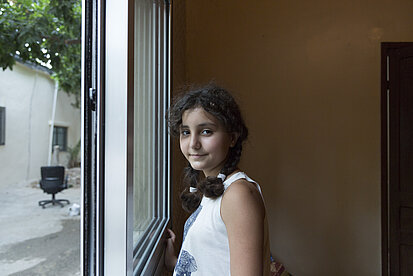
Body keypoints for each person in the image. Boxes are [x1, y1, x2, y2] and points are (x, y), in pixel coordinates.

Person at [165, 84, 271, 275]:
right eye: (186, 132)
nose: (193, 144)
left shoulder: (238, 195)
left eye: (206, 131)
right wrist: (175, 262)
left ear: (232, 137)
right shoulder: (216, 189)